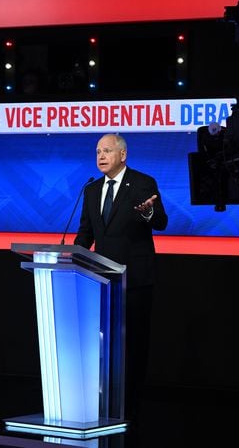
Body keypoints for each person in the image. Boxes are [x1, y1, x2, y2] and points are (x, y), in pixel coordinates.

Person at [74, 133, 168, 421]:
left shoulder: (142, 183)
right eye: (98, 151)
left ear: (123, 155)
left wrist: (149, 212)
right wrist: (70, 256)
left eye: (107, 151)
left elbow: (161, 222)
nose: (101, 156)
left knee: (135, 345)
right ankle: (106, 402)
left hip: (135, 279)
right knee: (105, 345)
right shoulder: (91, 190)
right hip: (102, 281)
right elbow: (86, 232)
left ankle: (132, 407)